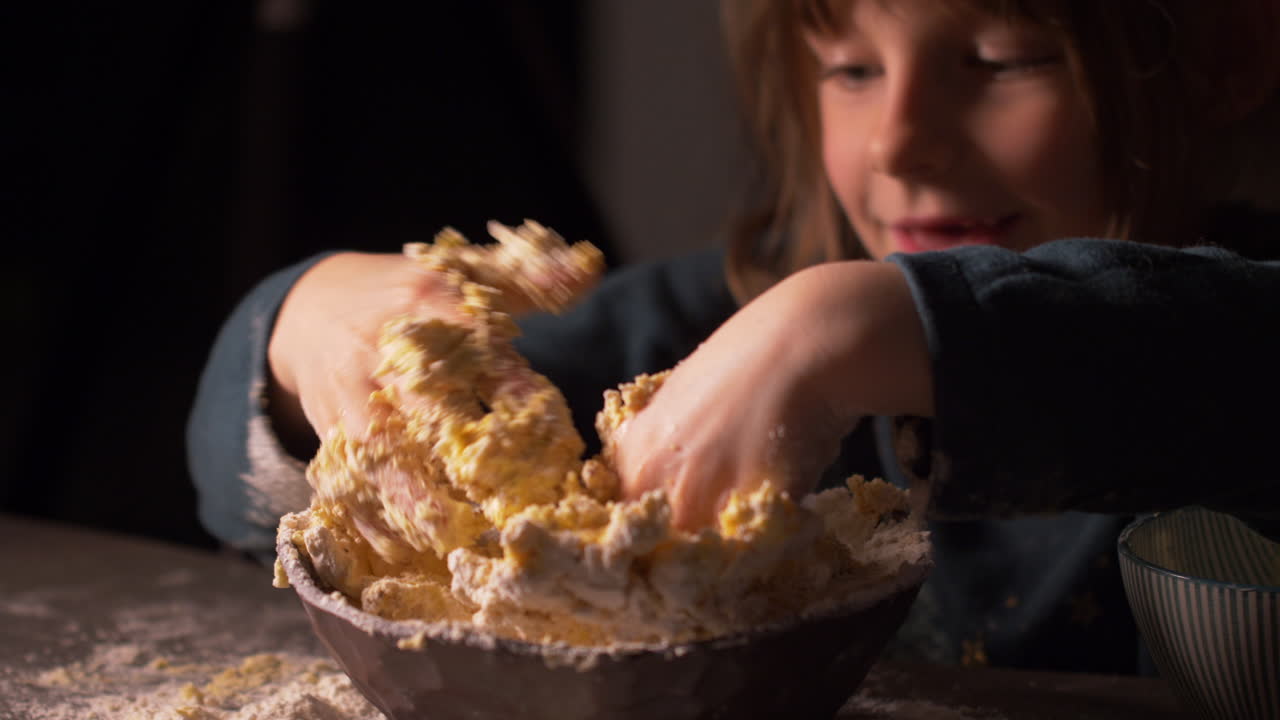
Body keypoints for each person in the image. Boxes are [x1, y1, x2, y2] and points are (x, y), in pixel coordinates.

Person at [188, 0, 1280, 674]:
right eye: (850, 69)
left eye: (999, 59)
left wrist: (863, 326)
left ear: (1226, 50)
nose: (898, 138)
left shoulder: (1222, 343)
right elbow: (235, 503)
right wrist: (299, 324)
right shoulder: (703, 322)